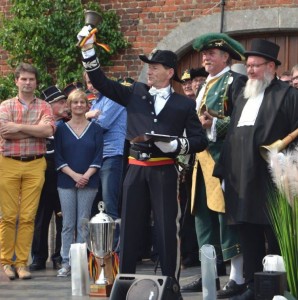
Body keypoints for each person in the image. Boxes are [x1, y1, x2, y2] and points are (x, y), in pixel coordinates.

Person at [77, 26, 208, 298]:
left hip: (164, 170)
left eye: (156, 67)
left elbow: (199, 140)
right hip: (135, 169)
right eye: (149, 66)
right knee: (131, 227)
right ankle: (123, 284)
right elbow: (100, 82)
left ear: (170, 72)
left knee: (166, 229)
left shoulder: (184, 105)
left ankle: (170, 283)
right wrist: (88, 50)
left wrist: (176, 145)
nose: (150, 71)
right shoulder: (134, 92)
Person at [214, 39, 298, 300]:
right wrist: (223, 172)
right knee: (246, 229)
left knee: (274, 231)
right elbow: (231, 138)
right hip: (240, 175)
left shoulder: (288, 95)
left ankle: (278, 286)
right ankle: (251, 284)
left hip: (271, 175)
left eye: (255, 65)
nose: (249, 70)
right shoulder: (243, 95)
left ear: (271, 66)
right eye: (248, 65)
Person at [181, 33, 247, 298]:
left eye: (212, 54)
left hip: (224, 160)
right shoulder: (204, 85)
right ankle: (210, 274)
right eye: (204, 54)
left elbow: (244, 121)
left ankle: (237, 276)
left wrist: (213, 125)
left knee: (226, 218)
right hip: (200, 162)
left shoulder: (235, 81)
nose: (206, 57)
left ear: (226, 57)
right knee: (203, 219)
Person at [0, 62, 55, 280]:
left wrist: (19, 128)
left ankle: (22, 263)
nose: (28, 82)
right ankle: (6, 262)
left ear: (36, 82)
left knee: (28, 217)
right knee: (8, 216)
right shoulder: (5, 106)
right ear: (16, 81)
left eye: (31, 79)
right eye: (23, 79)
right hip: (8, 162)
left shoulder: (45, 106)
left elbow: (49, 130)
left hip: (35, 163)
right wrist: (34, 132)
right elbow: (5, 132)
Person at [55, 89, 103, 277]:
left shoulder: (96, 128)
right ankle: (66, 261)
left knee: (83, 222)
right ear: (69, 105)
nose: (79, 105)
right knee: (68, 223)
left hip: (89, 181)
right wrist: (75, 175)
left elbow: (99, 156)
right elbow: (58, 157)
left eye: (82, 102)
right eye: (75, 102)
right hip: (66, 181)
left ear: (87, 105)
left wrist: (86, 175)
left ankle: (80, 261)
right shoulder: (60, 128)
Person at [84, 71, 127, 250]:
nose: (91, 85)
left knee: (110, 207)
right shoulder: (96, 102)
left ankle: (115, 252)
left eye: (93, 81)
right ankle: (98, 250)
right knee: (95, 208)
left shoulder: (114, 98)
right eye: (87, 82)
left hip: (111, 156)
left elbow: (101, 125)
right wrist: (89, 115)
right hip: (95, 158)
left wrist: (84, 117)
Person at [30, 86, 68, 272]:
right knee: (41, 217)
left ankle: (59, 256)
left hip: (62, 174)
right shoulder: (38, 123)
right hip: (42, 173)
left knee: (62, 217)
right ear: (49, 105)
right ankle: (38, 257)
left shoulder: (68, 124)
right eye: (60, 102)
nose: (65, 105)